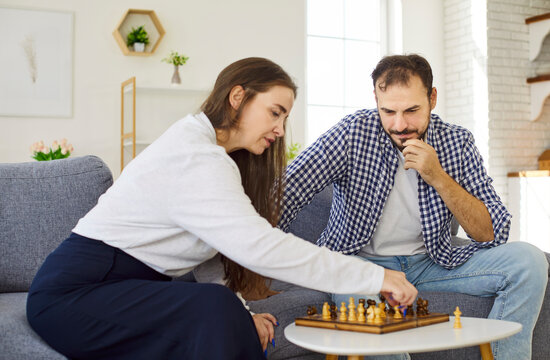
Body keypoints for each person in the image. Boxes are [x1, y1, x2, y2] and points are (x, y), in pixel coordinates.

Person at [26, 57, 417, 360]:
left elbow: (211, 255)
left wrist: (242, 310)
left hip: (123, 288)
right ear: (237, 98)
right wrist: (374, 277)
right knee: (217, 310)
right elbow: (262, 248)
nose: (281, 129)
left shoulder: (212, 153)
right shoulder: (196, 156)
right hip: (75, 294)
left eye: (285, 117)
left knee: (222, 308)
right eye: (275, 112)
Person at [278, 54, 548, 360]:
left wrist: (438, 177)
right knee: (364, 309)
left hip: (432, 263)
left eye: (411, 110)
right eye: (388, 111)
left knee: (529, 261)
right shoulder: (352, 133)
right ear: (376, 100)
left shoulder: (457, 142)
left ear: (432, 98)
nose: (400, 124)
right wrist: (256, 268)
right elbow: (288, 190)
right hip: (360, 265)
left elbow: (491, 232)